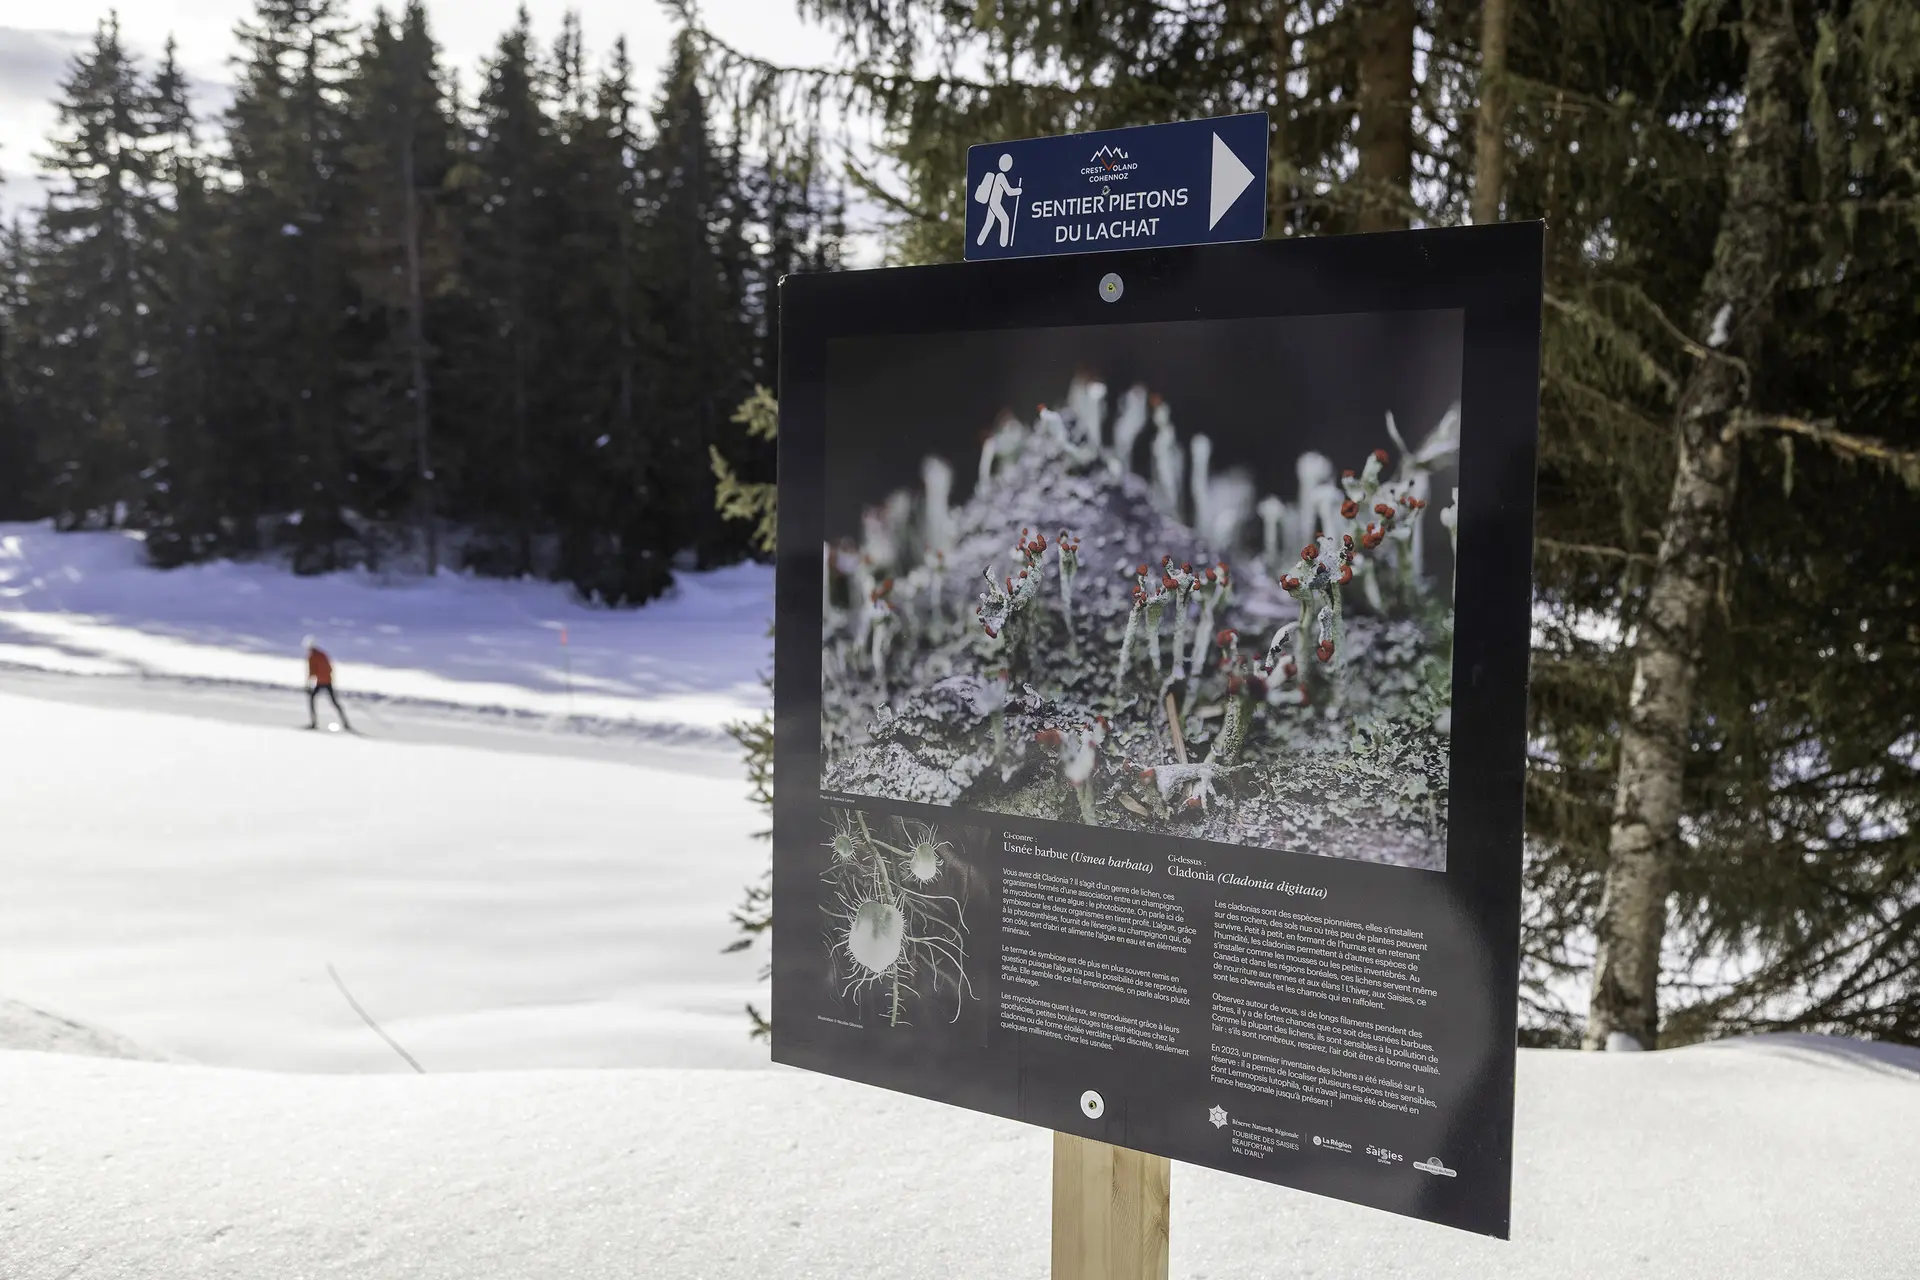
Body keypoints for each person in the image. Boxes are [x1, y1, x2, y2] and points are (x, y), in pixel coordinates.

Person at [303, 636, 352, 732]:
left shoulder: (312, 656)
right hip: (328, 681)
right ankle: (345, 723)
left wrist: (308, 685)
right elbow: (329, 668)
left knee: (312, 700)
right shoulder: (323, 654)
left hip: (321, 682)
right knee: (334, 702)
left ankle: (314, 723)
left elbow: (311, 672)